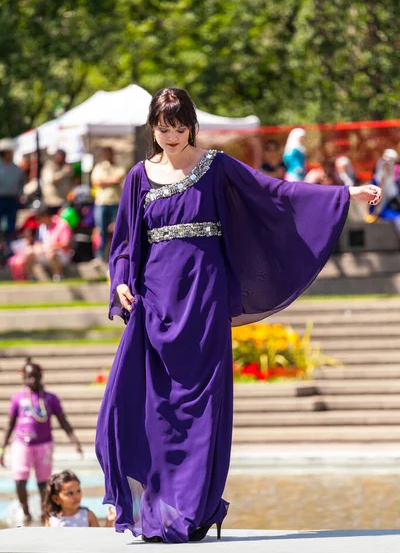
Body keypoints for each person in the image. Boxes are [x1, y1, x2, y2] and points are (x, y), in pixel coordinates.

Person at [95, 87, 382, 544]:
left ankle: (191, 511)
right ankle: (154, 511)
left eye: (177, 127)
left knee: (201, 409)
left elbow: (277, 194)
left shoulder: (216, 167)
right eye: (162, 127)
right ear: (152, 128)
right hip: (154, 304)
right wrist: (122, 281)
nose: (170, 136)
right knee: (142, 406)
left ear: (190, 125)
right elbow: (126, 245)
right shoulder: (137, 177)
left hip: (204, 299)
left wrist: (345, 193)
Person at [0, 358, 83, 525]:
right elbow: (10, 424)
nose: (33, 380)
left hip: (44, 445)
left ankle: (45, 512)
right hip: (22, 444)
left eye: (36, 376)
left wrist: (75, 441)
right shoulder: (18, 398)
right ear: (23, 378)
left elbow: (62, 420)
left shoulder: (50, 399)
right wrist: (2, 448)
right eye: (29, 377)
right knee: (20, 478)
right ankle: (26, 512)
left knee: (43, 482)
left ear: (41, 376)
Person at [44, 470, 116, 527]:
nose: (76, 496)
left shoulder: (88, 516)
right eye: (70, 493)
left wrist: (109, 522)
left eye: (78, 491)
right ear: (56, 499)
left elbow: (100, 539)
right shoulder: (52, 519)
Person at [91, 147, 126, 260]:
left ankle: (119, 253)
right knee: (102, 231)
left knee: (118, 230)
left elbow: (118, 179)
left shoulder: (119, 167)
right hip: (101, 203)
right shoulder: (99, 167)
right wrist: (111, 181)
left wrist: (104, 182)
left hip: (115, 202)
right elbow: (95, 182)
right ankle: (100, 256)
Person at [24, 204, 73, 281]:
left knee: (52, 252)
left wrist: (52, 247)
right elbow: (38, 242)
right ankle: (31, 277)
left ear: (45, 216)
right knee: (30, 251)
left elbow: (66, 243)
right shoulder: (42, 227)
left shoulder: (62, 224)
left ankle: (59, 276)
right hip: (45, 253)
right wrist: (39, 247)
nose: (37, 220)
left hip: (61, 254)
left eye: (38, 218)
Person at [0, 139, 24, 253]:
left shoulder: (17, 169)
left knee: (11, 225)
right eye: (9, 152)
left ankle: (9, 248)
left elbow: (21, 184)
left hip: (12, 200)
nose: (11, 154)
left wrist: (20, 194)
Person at [41, 150, 74, 215]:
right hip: (52, 201)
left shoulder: (63, 166)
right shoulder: (49, 166)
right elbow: (51, 179)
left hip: (63, 200)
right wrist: (63, 172)